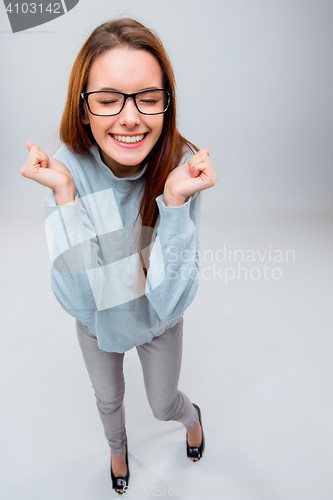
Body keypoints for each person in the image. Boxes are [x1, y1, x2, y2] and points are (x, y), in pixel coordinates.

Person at [20, 18, 217, 494]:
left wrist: (173, 206)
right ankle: (117, 449)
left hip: (157, 321)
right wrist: (65, 195)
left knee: (163, 402)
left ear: (166, 105)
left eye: (148, 98)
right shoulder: (73, 168)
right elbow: (78, 300)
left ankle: (191, 418)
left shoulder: (180, 167)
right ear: (84, 109)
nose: (130, 118)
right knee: (108, 400)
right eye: (108, 100)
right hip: (98, 322)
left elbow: (170, 301)